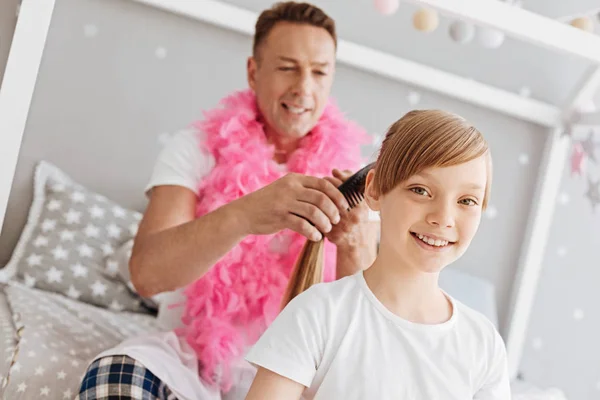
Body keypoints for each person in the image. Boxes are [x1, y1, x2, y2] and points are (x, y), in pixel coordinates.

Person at [77, 2, 377, 399]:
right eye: (287, 67)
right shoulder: (197, 148)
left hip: (292, 378)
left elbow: (370, 324)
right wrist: (246, 214)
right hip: (189, 364)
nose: (304, 87)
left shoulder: (353, 176)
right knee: (117, 375)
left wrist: (353, 244)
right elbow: (147, 275)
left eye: (319, 72)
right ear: (254, 72)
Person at [244, 109, 512, 399]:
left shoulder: (483, 346)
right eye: (421, 190)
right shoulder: (318, 314)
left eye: (466, 200)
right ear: (373, 190)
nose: (443, 217)